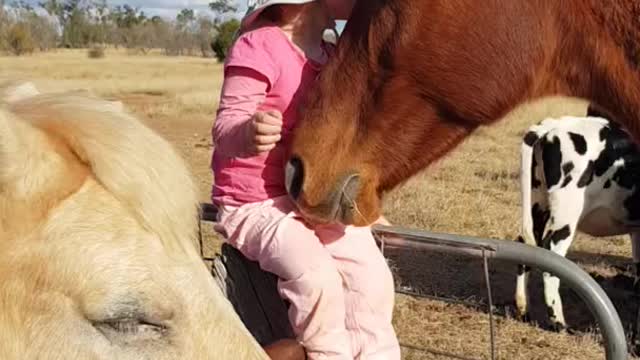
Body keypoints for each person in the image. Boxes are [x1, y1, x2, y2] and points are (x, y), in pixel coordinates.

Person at [210, 1, 401, 358]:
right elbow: (225, 127)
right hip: (254, 203)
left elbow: (341, 138)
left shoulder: (332, 55)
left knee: (372, 277)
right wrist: (248, 132)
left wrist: (363, 204)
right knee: (316, 277)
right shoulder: (259, 45)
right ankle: (329, 353)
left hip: (315, 197)